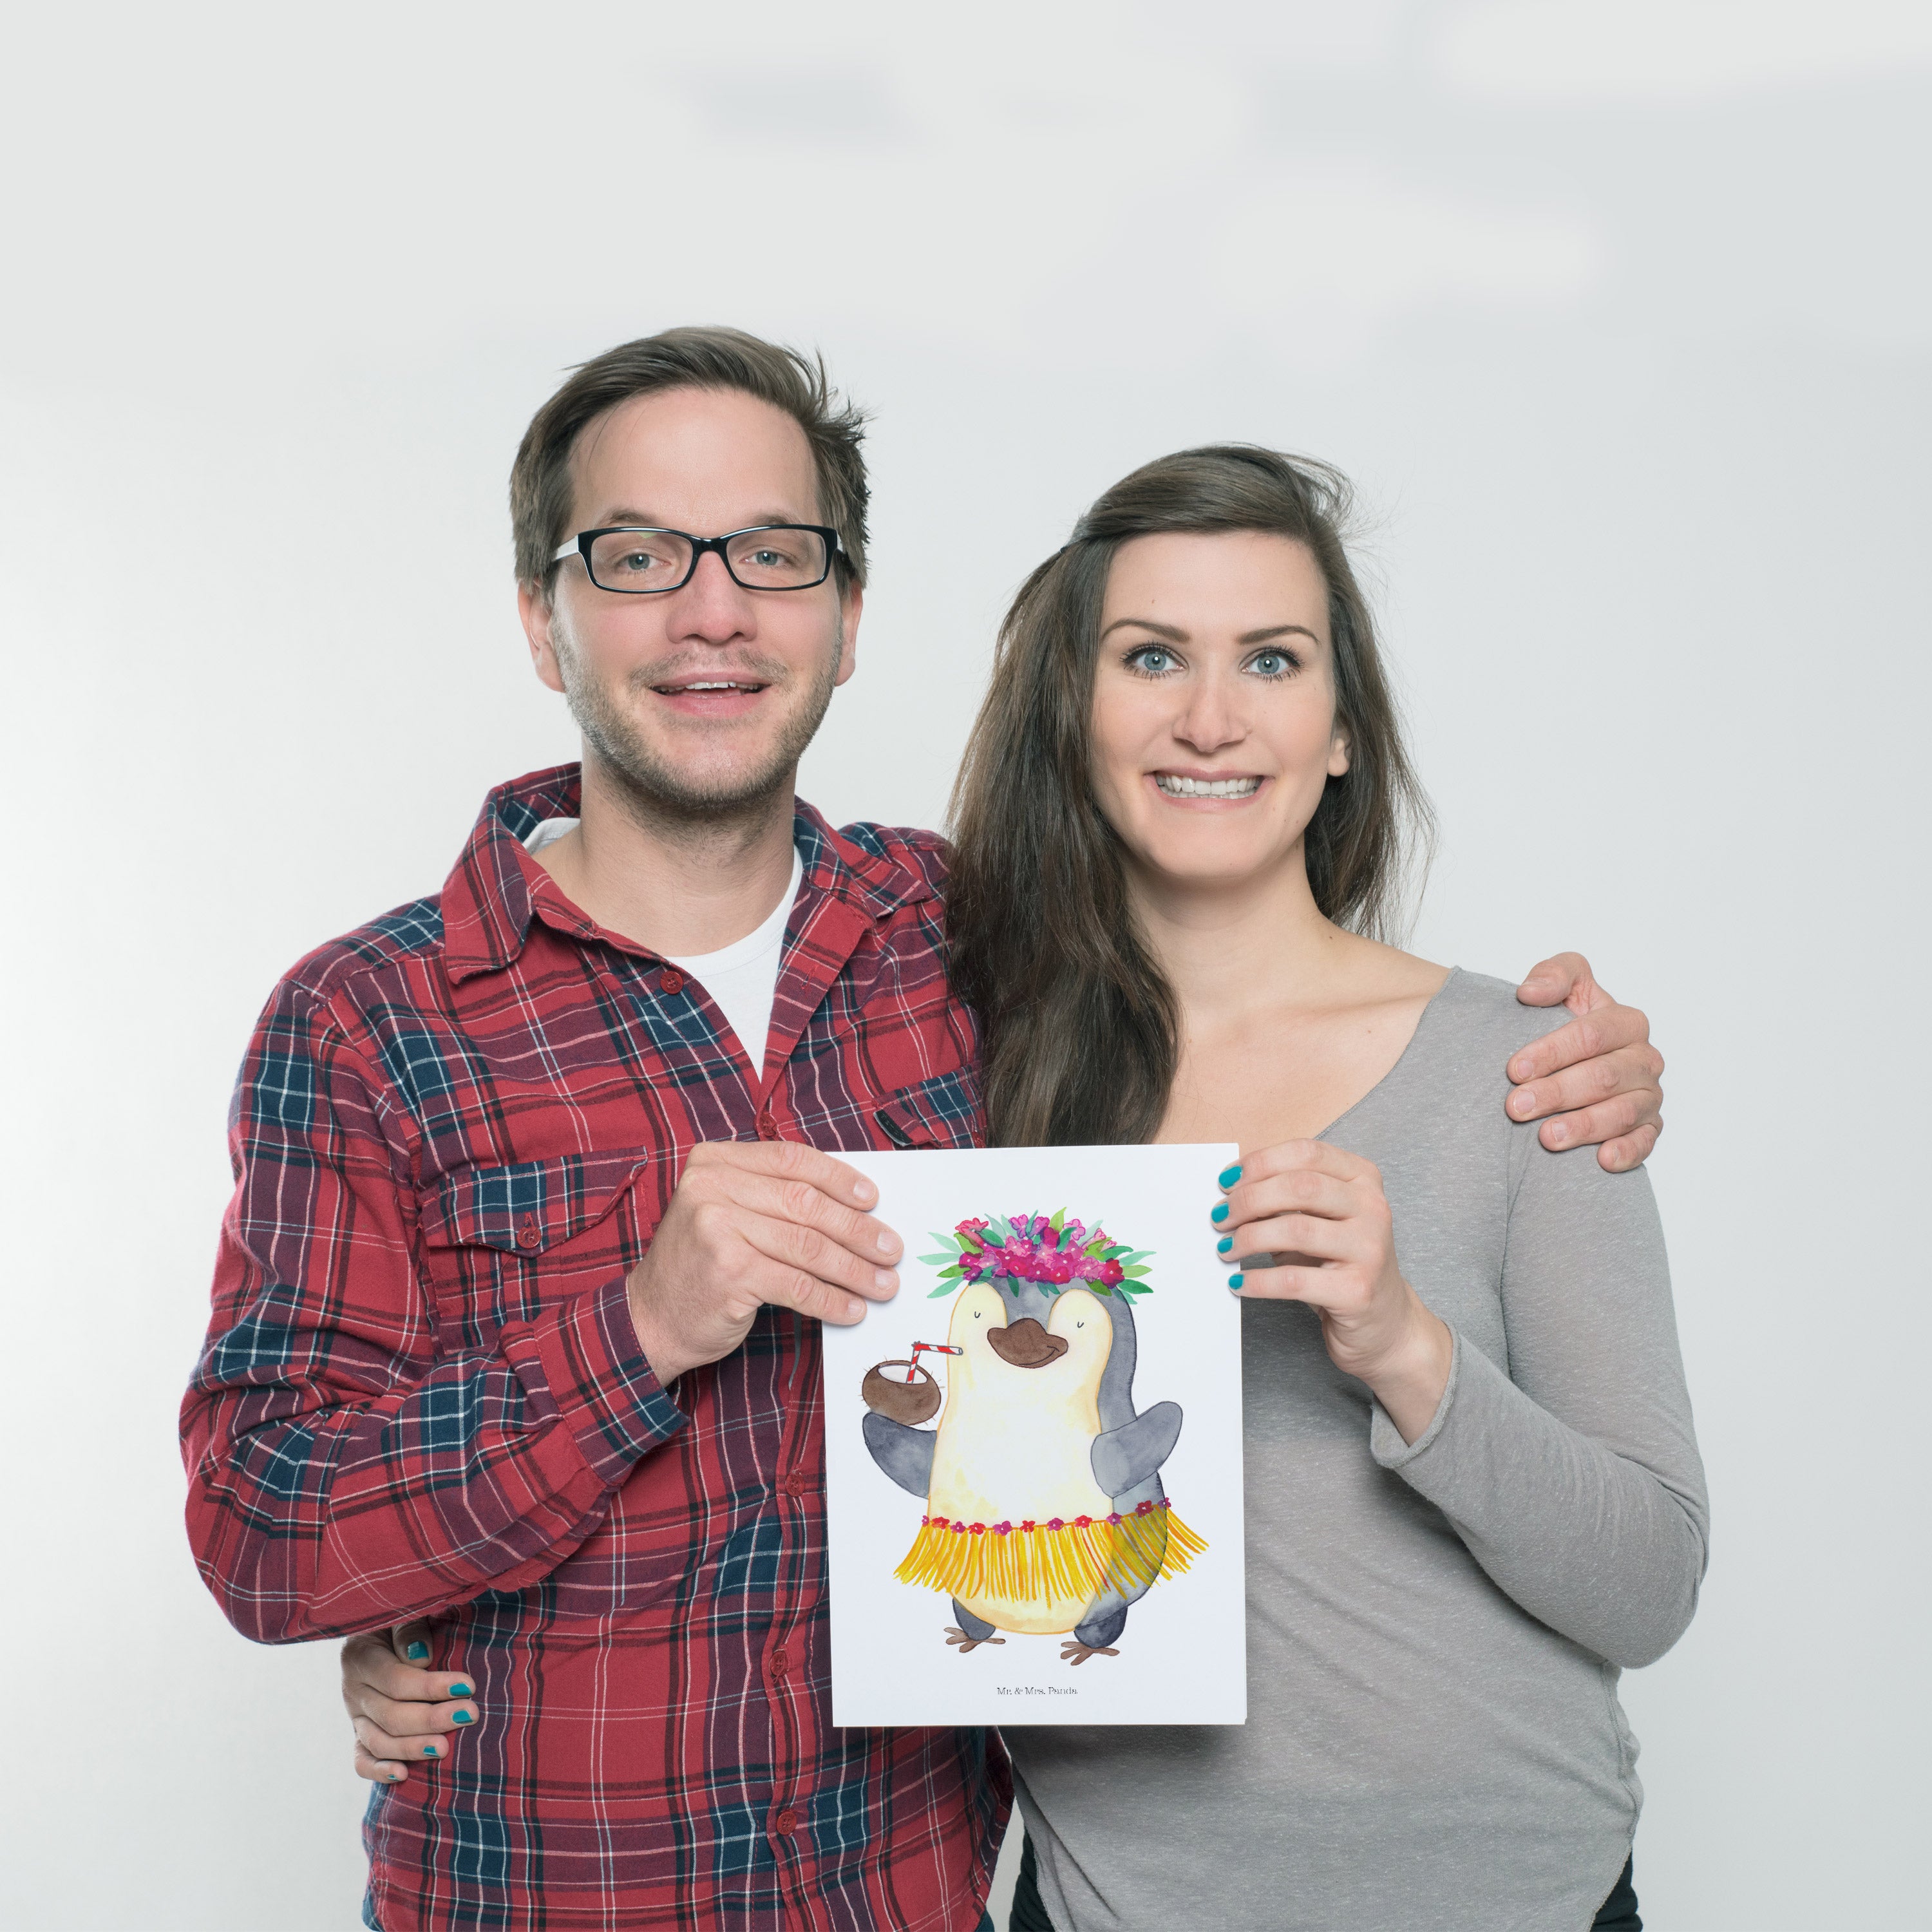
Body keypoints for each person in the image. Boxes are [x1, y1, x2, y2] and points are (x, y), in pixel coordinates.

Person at [182, 327, 1665, 1932]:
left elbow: (1258, 980)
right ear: (546, 621)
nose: (713, 610)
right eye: (637, 555)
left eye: (772, 552)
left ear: (848, 615)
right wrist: (631, 1338)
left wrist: (1569, 1058)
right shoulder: (368, 1023)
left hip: (902, 1895)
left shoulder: (970, 951)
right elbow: (269, 1533)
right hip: (550, 1895)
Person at [942, 446, 1705, 1931]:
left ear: (1343, 728)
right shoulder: (960, 1074)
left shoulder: (1529, 1067)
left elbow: (1651, 1587)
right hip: (1115, 1907)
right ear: (1073, 712)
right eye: (1151, 655)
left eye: (1273, 659)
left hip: (1523, 1901)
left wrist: (1408, 1349)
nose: (1211, 717)